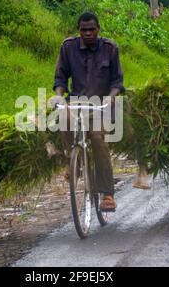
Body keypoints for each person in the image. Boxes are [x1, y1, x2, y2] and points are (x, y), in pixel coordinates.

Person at [52, 12, 125, 212]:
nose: (88, 33)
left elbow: (117, 82)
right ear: (79, 31)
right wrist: (60, 96)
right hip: (76, 104)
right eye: (84, 30)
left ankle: (108, 194)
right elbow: (60, 79)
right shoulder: (68, 47)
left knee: (97, 139)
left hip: (100, 107)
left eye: (91, 29)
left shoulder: (110, 49)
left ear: (98, 29)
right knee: (63, 117)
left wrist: (111, 97)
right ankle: (72, 160)